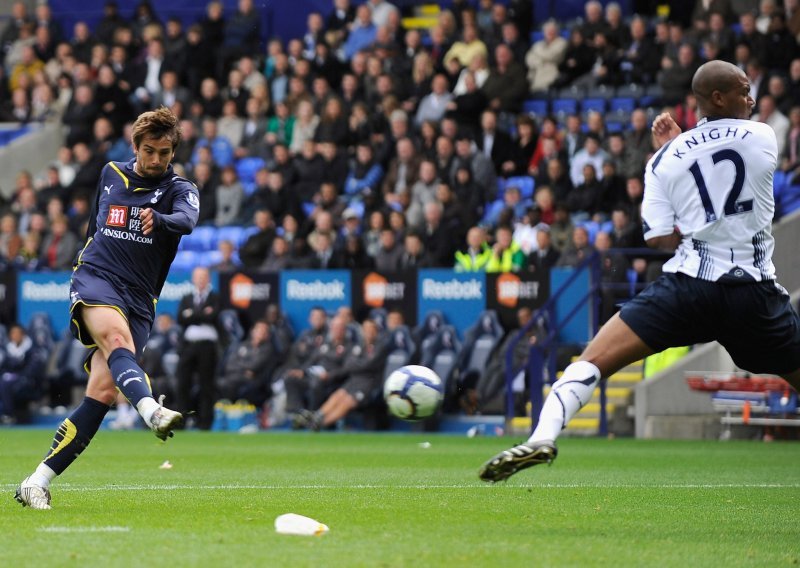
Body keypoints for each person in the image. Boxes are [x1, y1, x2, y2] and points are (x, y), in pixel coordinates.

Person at [479, 60, 800, 482]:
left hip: (689, 289)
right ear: (719, 97)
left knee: (591, 360)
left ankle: (543, 436)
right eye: (743, 90)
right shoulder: (763, 135)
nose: (752, 98)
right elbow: (723, 165)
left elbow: (659, 238)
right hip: (753, 294)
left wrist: (673, 148)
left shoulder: (662, 161)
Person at [16, 107, 199, 509]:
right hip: (97, 277)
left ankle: (35, 482)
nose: (156, 160)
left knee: (101, 391)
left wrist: (161, 219)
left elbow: (187, 221)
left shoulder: (180, 189)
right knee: (117, 339)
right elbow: (94, 226)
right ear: (135, 146)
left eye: (164, 153)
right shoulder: (110, 173)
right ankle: (151, 411)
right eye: (149, 151)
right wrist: (82, 262)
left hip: (140, 298)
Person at [176, 266, 221, 430]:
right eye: (198, 277)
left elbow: (213, 316)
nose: (201, 280)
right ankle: (181, 420)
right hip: (189, 345)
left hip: (207, 346)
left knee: (206, 384)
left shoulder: (215, 297)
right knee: (183, 382)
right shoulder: (187, 297)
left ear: (208, 278)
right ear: (193, 279)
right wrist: (202, 313)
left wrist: (192, 314)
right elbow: (181, 318)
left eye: (204, 277)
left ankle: (205, 422)